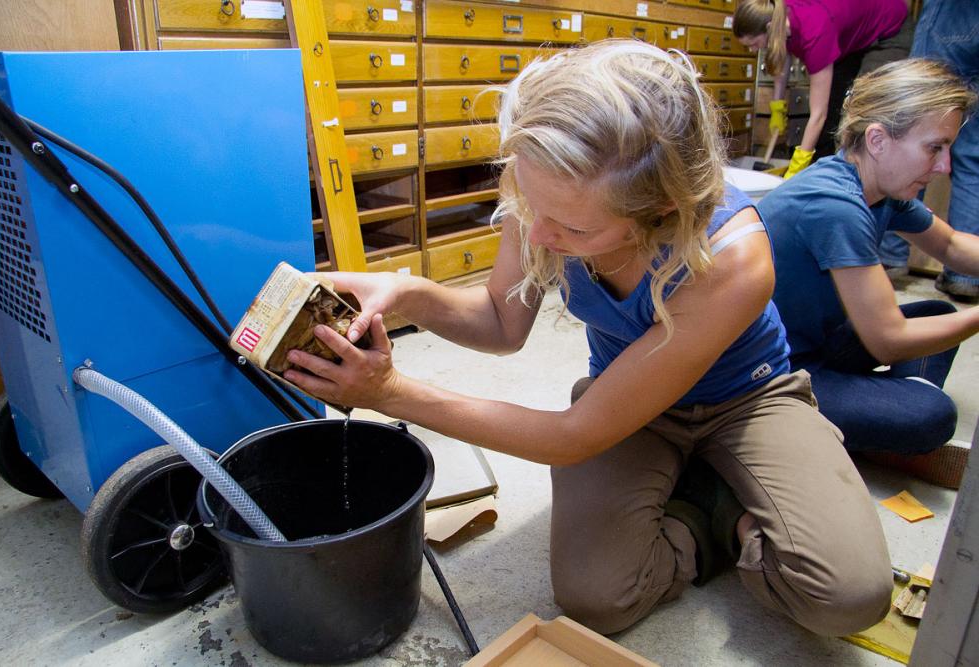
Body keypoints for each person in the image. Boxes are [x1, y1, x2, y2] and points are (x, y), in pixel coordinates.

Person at [283, 41, 891, 637]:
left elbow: (573, 437)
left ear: (661, 208)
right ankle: (709, 510)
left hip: (746, 398)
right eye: (532, 208)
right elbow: (500, 322)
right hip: (625, 403)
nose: (538, 236)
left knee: (846, 597)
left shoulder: (734, 257)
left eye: (574, 229)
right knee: (598, 598)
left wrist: (389, 392)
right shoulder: (550, 183)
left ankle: (720, 486)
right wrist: (405, 292)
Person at [758, 58, 979, 489]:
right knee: (931, 415)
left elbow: (951, 246)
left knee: (936, 314)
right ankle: (863, 423)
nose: (944, 166)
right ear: (877, 139)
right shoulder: (836, 205)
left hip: (819, 341)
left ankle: (863, 419)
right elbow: (888, 340)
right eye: (934, 148)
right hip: (776, 371)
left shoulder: (877, 188)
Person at [733, 0, 913, 178]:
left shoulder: (814, 34)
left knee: (862, 113)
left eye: (753, 44)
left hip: (888, 29)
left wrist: (797, 167)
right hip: (849, 36)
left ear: (770, 28)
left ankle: (857, 183)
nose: (752, 50)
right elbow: (781, 54)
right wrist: (777, 107)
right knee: (831, 120)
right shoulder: (779, 15)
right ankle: (822, 179)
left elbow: (818, 115)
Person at [878, 0, 979, 303]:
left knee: (914, 124)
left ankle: (889, 257)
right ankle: (964, 277)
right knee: (972, 158)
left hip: (957, 12)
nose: (943, 166)